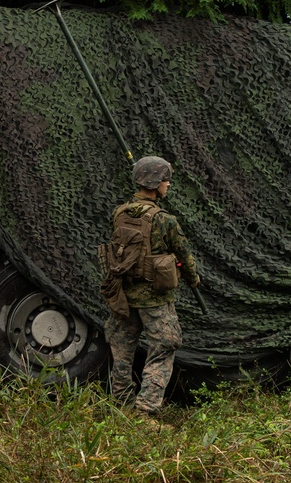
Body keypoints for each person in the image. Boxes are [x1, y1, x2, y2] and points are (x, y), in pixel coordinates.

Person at [103, 155, 201, 419]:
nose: (168, 185)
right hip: (155, 298)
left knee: (122, 350)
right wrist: (193, 279)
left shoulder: (120, 213)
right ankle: (146, 410)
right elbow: (184, 254)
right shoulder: (165, 220)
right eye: (166, 180)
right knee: (165, 347)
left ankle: (120, 403)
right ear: (155, 182)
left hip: (123, 295)